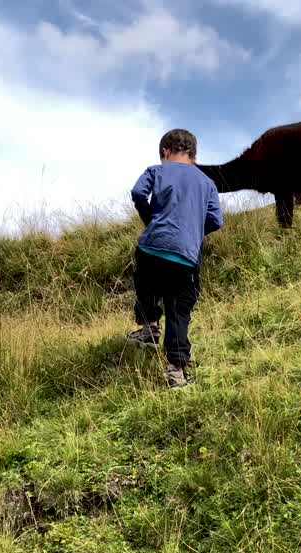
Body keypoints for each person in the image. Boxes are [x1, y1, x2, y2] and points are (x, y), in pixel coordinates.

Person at [127, 129, 223, 388]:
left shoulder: (156, 171)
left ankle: (149, 327)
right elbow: (216, 220)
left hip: (152, 247)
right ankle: (176, 371)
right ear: (193, 154)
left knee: (144, 281)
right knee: (179, 310)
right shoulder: (207, 183)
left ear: (164, 152)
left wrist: (151, 221)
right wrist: (191, 232)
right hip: (187, 258)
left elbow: (137, 193)